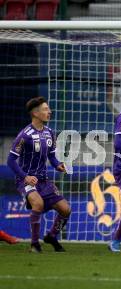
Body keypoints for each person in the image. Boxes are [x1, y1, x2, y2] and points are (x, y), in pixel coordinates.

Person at [7, 96, 70, 252]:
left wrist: (58, 165)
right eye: (45, 109)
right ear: (35, 113)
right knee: (38, 204)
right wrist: (25, 177)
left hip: (43, 180)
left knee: (65, 209)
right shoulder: (25, 135)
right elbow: (11, 160)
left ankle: (52, 236)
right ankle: (35, 244)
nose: (50, 111)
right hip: (26, 180)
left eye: (48, 108)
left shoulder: (50, 132)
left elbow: (52, 157)